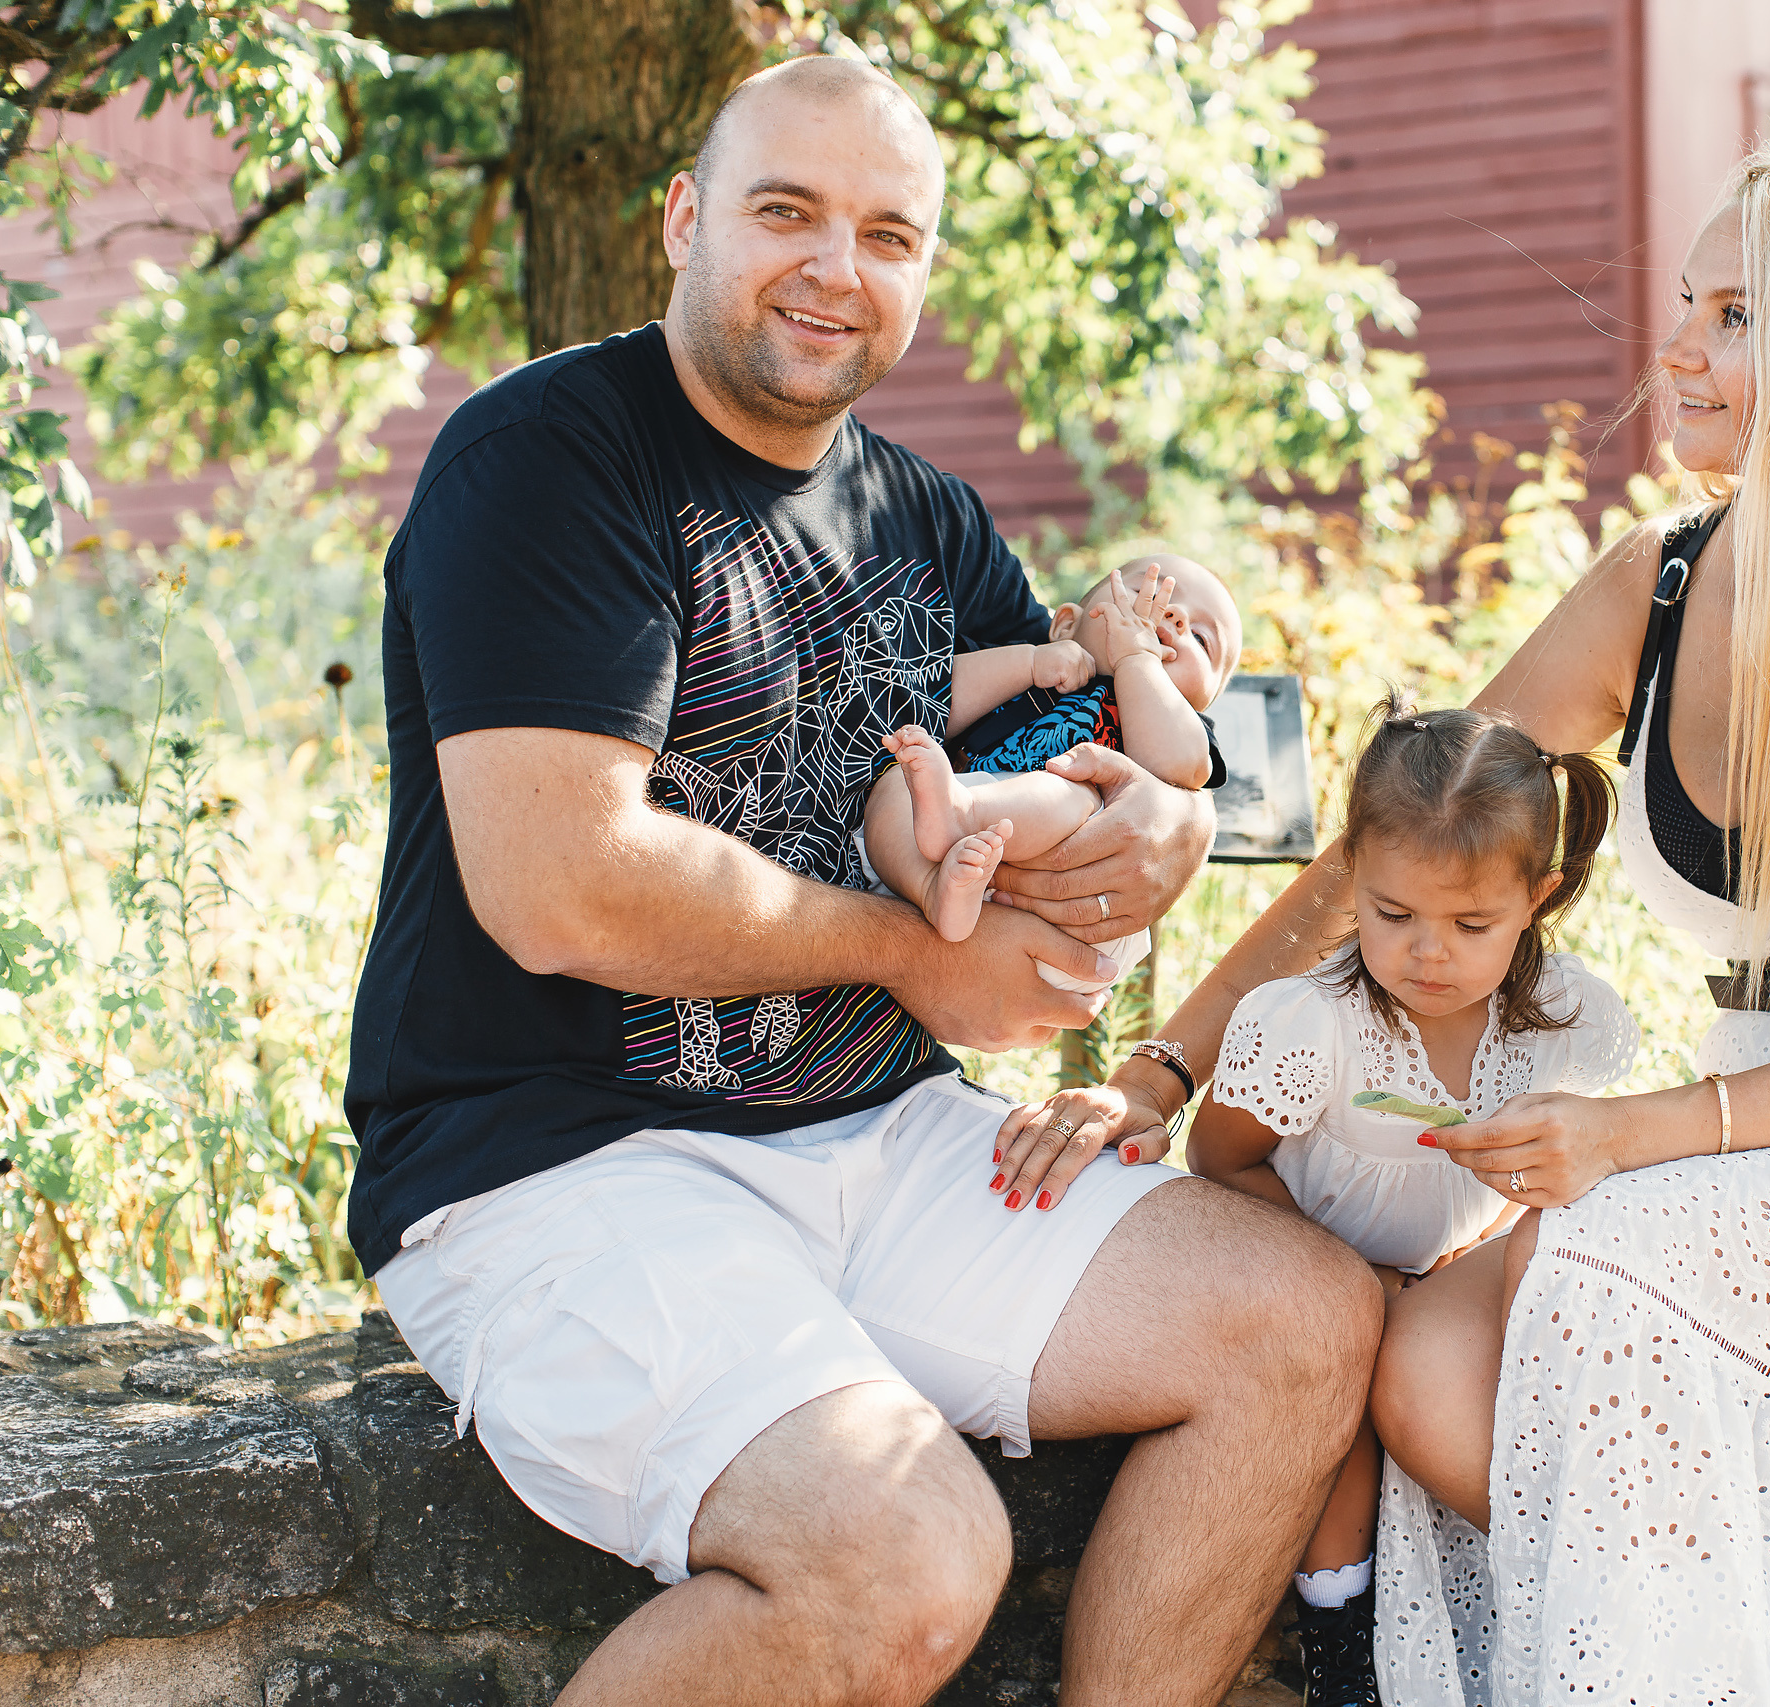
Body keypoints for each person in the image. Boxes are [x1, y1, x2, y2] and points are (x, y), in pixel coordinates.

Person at [993, 138, 1770, 1705]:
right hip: (1768, 1088)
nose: (1676, 350)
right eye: (1688, 304)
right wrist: (1169, 1069)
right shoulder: (1658, 585)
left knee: (1611, 1283)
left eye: (1734, 313)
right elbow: (1407, 833)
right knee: (1432, 1364)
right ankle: (1743, 1642)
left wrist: (1646, 1129)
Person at [343, 52, 1381, 1707]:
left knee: (1306, 1318)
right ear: (684, 220)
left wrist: (1152, 843)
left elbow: (1077, 851)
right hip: (556, 1163)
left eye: (888, 233)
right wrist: (904, 953)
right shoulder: (546, 461)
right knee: (904, 1559)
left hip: (878, 1140)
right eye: (786, 213)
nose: (837, 268)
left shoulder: (934, 522)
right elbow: (563, 884)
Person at [1188, 702, 1638, 1704]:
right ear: (1355, 875)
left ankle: (1575, 1591)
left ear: (1539, 898)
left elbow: (1557, 1175)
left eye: (1470, 924)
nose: (1426, 952)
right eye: (1392, 915)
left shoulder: (1557, 1019)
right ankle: (1341, 1643)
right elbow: (1218, 1165)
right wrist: (1350, 1283)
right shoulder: (1311, 1029)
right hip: (1303, 1265)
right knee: (1338, 1408)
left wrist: (1467, 1258)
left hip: (1443, 1275)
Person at [865, 553, 1242, 992]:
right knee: (895, 781)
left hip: (1068, 894)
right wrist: (1028, 663)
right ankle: (934, 888)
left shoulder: (1183, 728)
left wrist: (1136, 660)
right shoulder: (1045, 666)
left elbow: (1177, 766)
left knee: (1075, 789)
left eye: (1200, 637)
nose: (1172, 615)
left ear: (1206, 699)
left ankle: (960, 816)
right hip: (935, 865)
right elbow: (934, 703)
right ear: (1066, 625)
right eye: (1147, 593)